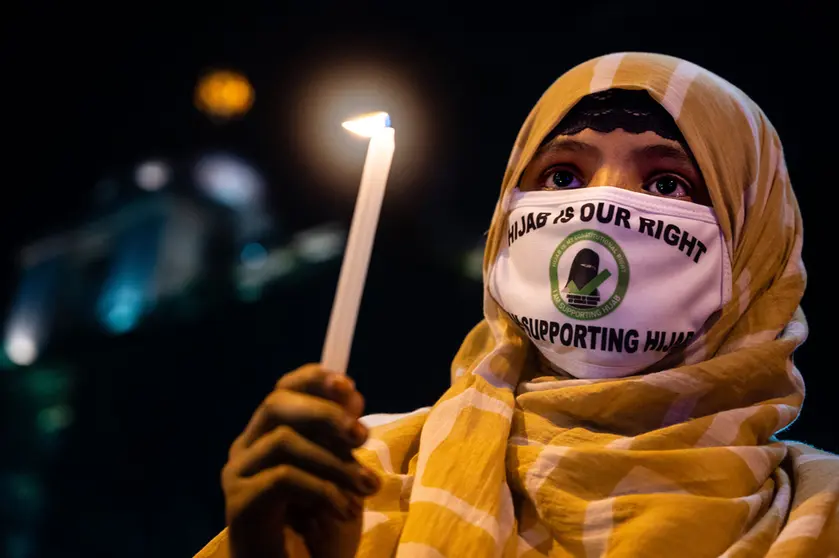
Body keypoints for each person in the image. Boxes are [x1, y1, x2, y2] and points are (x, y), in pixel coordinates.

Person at [196, 53, 839, 558]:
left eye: (667, 182)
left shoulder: (822, 519)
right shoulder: (352, 484)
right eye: (562, 176)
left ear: (757, 245)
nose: (601, 210)